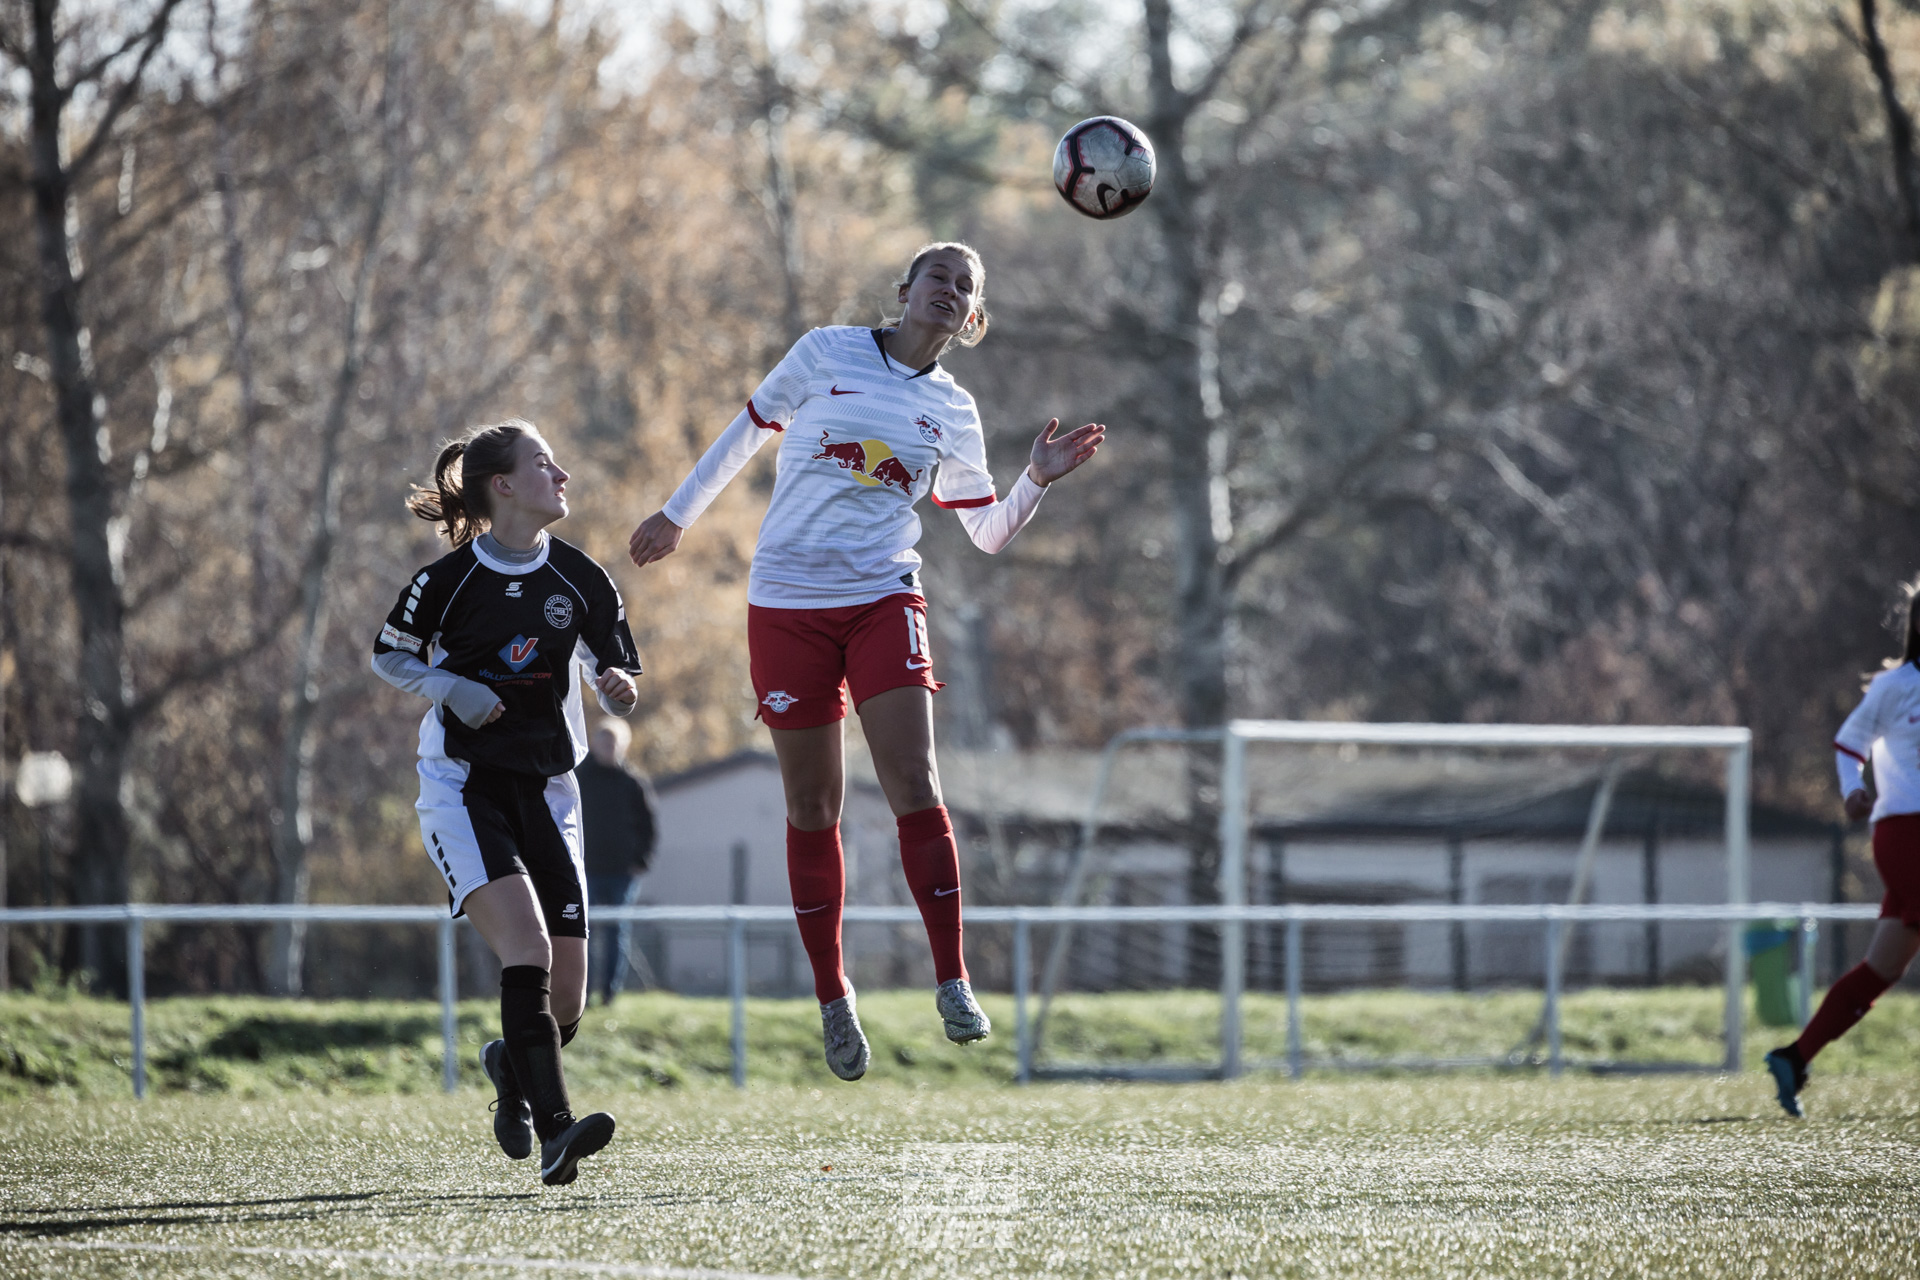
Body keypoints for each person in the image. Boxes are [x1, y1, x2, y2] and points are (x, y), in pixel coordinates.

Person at [628, 241, 1104, 1081]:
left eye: (966, 286)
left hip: (885, 596)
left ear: (973, 317)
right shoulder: (825, 352)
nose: (949, 291)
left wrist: (1034, 479)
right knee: (813, 804)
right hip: (787, 604)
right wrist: (676, 516)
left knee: (915, 783)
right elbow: (746, 433)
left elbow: (986, 530)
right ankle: (831, 997)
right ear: (904, 289)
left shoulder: (953, 411)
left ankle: (952, 978)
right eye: (938, 277)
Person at [372, 419, 642, 1183]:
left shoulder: (583, 580)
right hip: (464, 786)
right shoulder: (449, 580)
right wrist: (450, 686)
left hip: (551, 790)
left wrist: (617, 687)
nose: (561, 475)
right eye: (543, 463)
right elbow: (388, 654)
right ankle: (557, 1131)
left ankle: (508, 1064)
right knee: (527, 951)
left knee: (566, 1005)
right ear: (504, 486)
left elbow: (613, 670)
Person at [1766, 583, 1920, 1117]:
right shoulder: (1896, 686)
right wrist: (1853, 789)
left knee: (1883, 967)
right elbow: (1849, 742)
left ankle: (1795, 1057)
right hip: (1906, 832)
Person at [576, 718, 658, 1004]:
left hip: (621, 872)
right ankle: (580, 993)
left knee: (615, 932)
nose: (609, 747)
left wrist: (640, 861)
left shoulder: (633, 782)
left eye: (614, 743)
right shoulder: (579, 778)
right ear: (594, 743)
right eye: (604, 741)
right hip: (584, 871)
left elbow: (648, 825)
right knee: (579, 931)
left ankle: (609, 994)